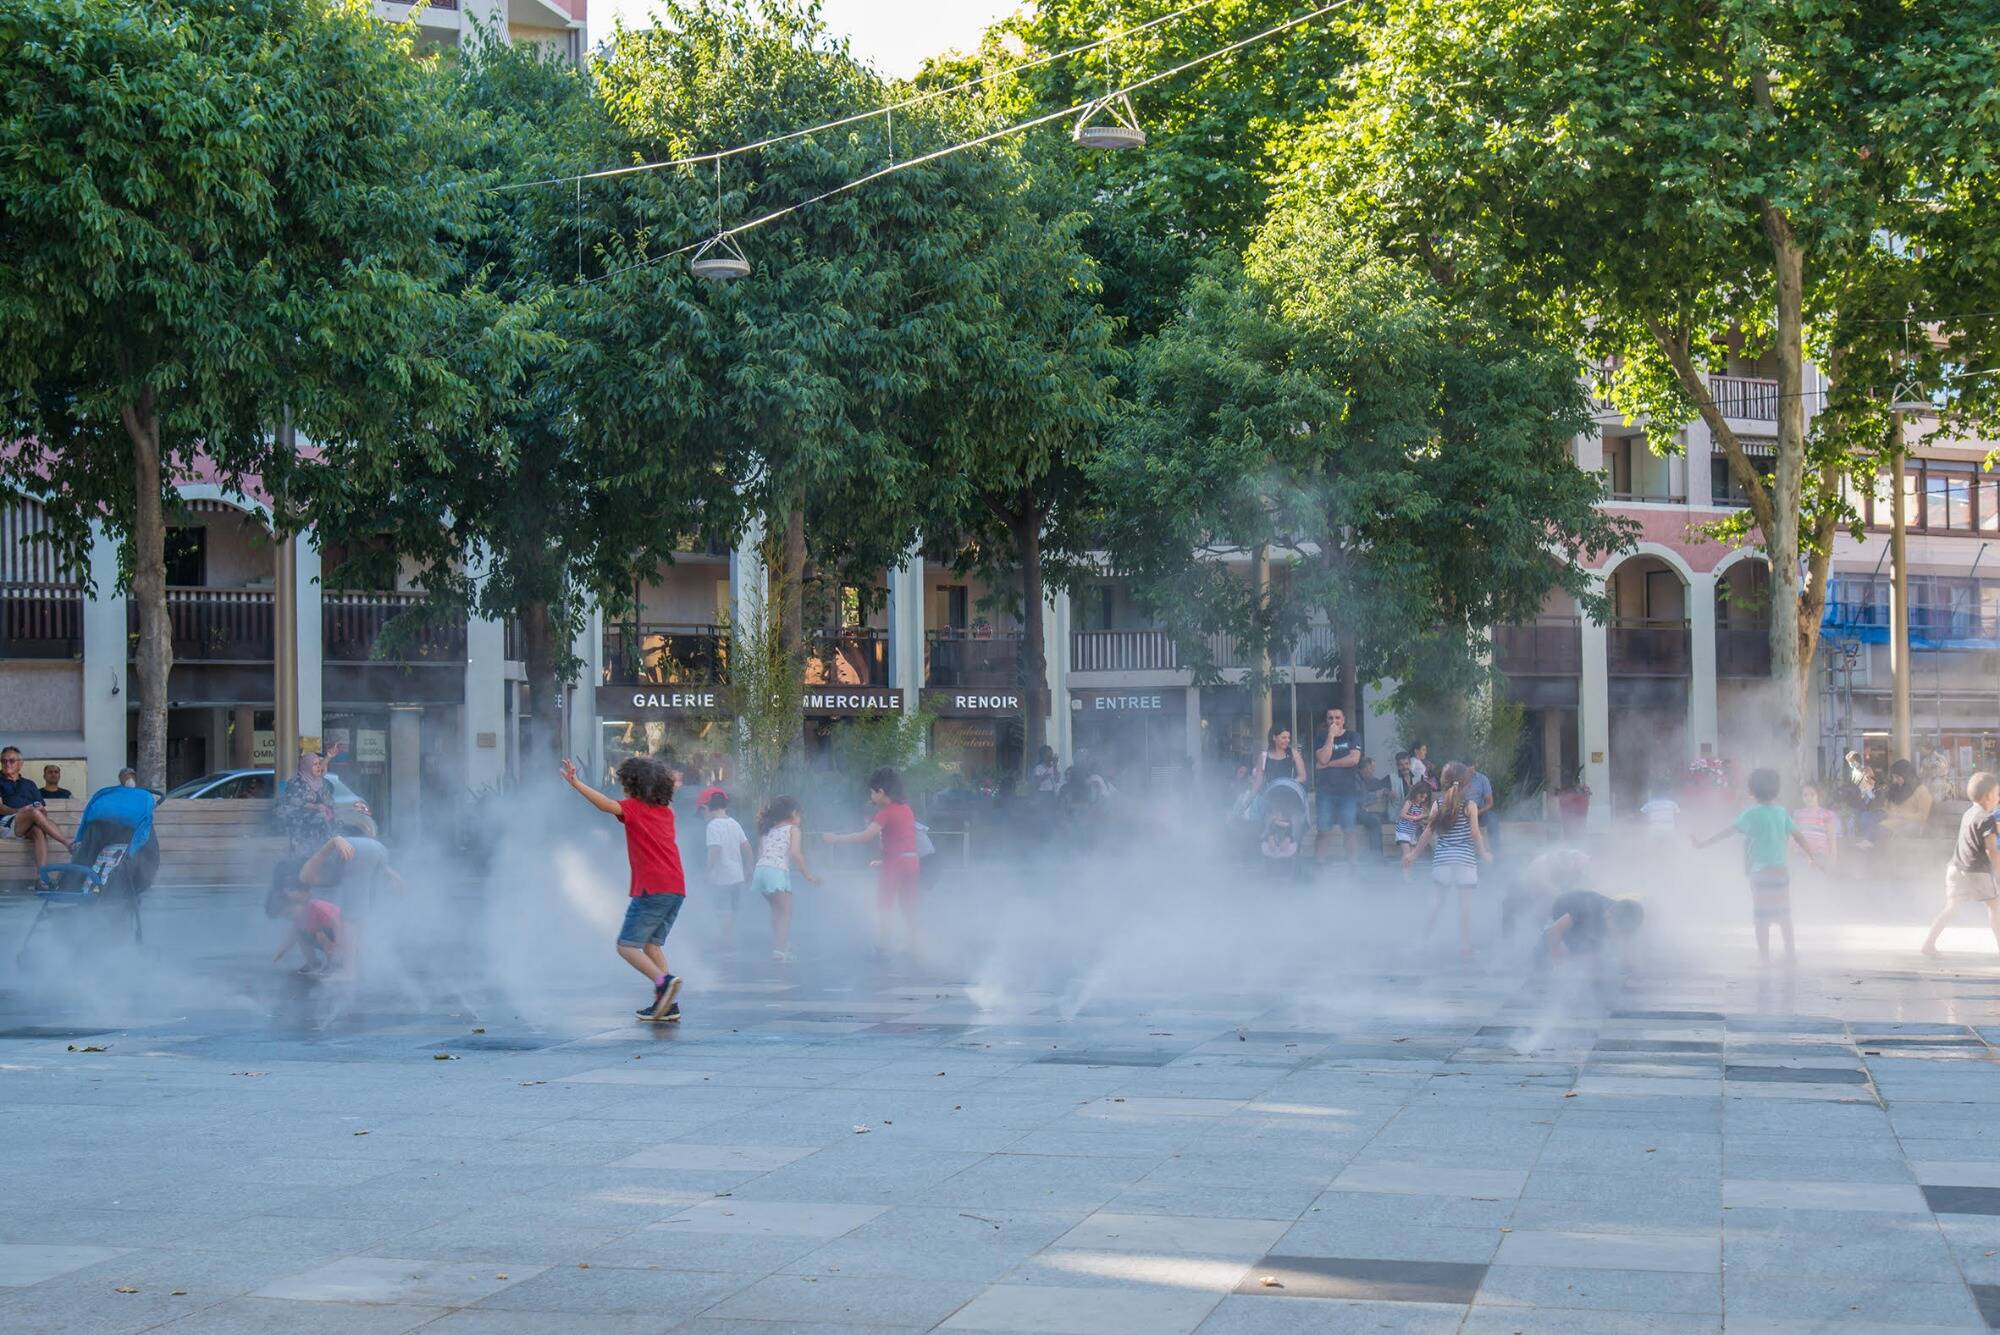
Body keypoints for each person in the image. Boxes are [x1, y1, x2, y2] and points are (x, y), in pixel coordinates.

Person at [561, 755, 687, 1022]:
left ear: (633, 787)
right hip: (675, 888)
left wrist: (576, 783)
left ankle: (663, 982)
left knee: (626, 946)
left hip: (652, 888)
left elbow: (606, 805)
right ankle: (667, 1005)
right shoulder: (667, 812)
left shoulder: (634, 808)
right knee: (651, 945)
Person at [1693, 767, 1820, 965]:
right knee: (1784, 915)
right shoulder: (1781, 813)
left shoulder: (1750, 814)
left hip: (1759, 873)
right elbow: (1799, 836)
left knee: (1762, 917)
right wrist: (1812, 856)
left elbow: (1727, 832)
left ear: (1751, 791)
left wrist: (1703, 844)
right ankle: (1790, 953)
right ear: (1776, 791)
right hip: (1780, 871)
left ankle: (1764, 958)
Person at [824, 766, 920, 954]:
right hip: (911, 861)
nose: (871, 796)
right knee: (908, 903)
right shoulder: (906, 809)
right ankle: (914, 943)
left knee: (885, 903)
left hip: (895, 864)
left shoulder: (885, 812)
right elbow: (904, 841)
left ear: (881, 792)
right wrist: (884, 861)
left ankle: (884, 945)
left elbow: (865, 836)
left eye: (872, 792)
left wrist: (836, 838)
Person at [282, 832, 403, 980]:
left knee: (349, 919)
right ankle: (360, 961)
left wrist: (336, 840)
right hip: (378, 850)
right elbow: (369, 855)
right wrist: (390, 873)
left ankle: (349, 972)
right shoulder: (333, 873)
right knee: (361, 915)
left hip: (357, 852)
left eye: (290, 893)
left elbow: (320, 855)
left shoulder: (304, 875)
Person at [1405, 761, 1492, 957]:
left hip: (1443, 861)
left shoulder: (1438, 804)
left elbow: (1428, 832)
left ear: (1444, 783)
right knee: (1465, 907)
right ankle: (1465, 947)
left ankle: (1422, 942)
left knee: (1435, 903)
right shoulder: (1470, 806)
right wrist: (1484, 853)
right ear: (1467, 785)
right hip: (1465, 862)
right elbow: (1475, 834)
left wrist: (1413, 854)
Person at [1922, 771, 2000, 958]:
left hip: (1956, 867)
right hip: (1977, 871)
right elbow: (1991, 850)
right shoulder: (1987, 818)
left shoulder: (1968, 813)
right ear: (1988, 796)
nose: (1998, 798)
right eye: (1997, 794)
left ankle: (1928, 944)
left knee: (1951, 907)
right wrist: (1998, 870)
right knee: (1995, 907)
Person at [753, 796, 819, 962]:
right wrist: (808, 875)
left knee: (776, 910)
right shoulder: (793, 829)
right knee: (785, 912)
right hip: (776, 872)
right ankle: (780, 950)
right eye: (800, 815)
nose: (800, 819)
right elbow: (796, 854)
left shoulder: (767, 829)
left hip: (761, 871)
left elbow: (760, 853)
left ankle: (780, 944)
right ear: (793, 813)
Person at [698, 788, 751, 948]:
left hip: (721, 877)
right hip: (737, 876)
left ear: (706, 807)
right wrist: (748, 869)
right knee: (733, 910)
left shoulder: (713, 826)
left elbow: (715, 849)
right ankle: (729, 940)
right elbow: (747, 848)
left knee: (722, 911)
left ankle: (726, 942)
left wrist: (706, 872)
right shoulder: (734, 823)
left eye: (702, 811)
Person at [0, 745, 69, 867]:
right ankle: (68, 844)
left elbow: (41, 807)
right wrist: (20, 811)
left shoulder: (29, 784)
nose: (7, 764)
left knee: (38, 831)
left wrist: (38, 811)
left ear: (20, 763)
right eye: (3, 761)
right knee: (33, 812)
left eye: (11, 761)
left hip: (26, 824)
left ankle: (41, 875)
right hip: (6, 824)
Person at [274, 741, 346, 855]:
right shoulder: (297, 782)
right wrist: (316, 807)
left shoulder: (320, 781)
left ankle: (329, 852)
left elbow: (321, 768)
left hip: (319, 820)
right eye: (315, 764)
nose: (318, 767)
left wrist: (328, 757)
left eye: (319, 764)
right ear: (307, 767)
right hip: (299, 820)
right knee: (320, 819)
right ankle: (316, 854)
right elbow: (294, 802)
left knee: (335, 823)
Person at [1312, 708, 1363, 863]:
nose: (1334, 721)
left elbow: (1353, 760)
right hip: (1325, 793)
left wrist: (1329, 764)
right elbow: (1322, 758)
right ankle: (1318, 865)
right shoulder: (1320, 738)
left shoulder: (1353, 736)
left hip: (1347, 793)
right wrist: (1331, 736)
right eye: (1330, 718)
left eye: (1337, 718)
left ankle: (1353, 865)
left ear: (1343, 720)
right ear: (1326, 721)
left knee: (1349, 831)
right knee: (1323, 832)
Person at [268, 876, 344, 976]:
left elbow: (337, 924)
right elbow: (292, 937)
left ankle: (334, 963)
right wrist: (281, 951)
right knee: (300, 935)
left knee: (320, 935)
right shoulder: (299, 918)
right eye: (286, 916)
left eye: (289, 913)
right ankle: (313, 962)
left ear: (299, 902)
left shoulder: (317, 907)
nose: (290, 917)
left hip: (341, 936)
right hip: (329, 937)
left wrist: (339, 946)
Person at [1543, 890, 1645, 963]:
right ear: (1608, 916)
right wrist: (1557, 960)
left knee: (1599, 954)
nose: (1617, 934)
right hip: (1561, 911)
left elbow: (1626, 943)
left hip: (1588, 924)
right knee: (1573, 953)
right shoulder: (1588, 907)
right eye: (1616, 930)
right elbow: (1555, 929)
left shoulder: (1623, 913)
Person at [1880, 759, 1935, 838]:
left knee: (1881, 833)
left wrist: (1901, 816)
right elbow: (1886, 808)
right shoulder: (1895, 789)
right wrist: (1884, 813)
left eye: (1897, 777)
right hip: (1888, 825)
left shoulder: (1922, 791)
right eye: (1893, 777)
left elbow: (1922, 816)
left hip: (1910, 827)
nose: (1895, 780)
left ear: (1907, 776)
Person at [1792, 783, 1842, 869]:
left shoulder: (1826, 814)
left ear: (1818, 795)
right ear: (1801, 797)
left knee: (1818, 877)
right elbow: (1792, 836)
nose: (1809, 798)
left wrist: (1832, 860)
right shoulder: (1797, 814)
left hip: (1820, 857)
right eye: (1805, 795)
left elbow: (1832, 839)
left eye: (1812, 794)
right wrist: (1789, 854)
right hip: (1800, 857)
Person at [1393, 783, 1434, 880]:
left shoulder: (1420, 806)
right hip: (1403, 831)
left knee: (1411, 855)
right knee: (1407, 853)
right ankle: (1405, 876)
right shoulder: (1409, 802)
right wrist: (1416, 817)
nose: (1422, 799)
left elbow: (1419, 820)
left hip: (1411, 833)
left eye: (1425, 798)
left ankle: (1408, 873)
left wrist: (1424, 820)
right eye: (1421, 797)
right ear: (1416, 793)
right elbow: (1402, 814)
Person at [1253, 726, 1307, 792]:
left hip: (1288, 792)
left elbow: (1302, 776)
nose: (1287, 740)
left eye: (1288, 738)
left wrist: (1288, 784)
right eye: (1284, 738)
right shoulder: (1264, 756)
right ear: (1274, 737)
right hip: (1270, 793)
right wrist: (1250, 796)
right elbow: (1258, 781)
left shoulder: (1294, 754)